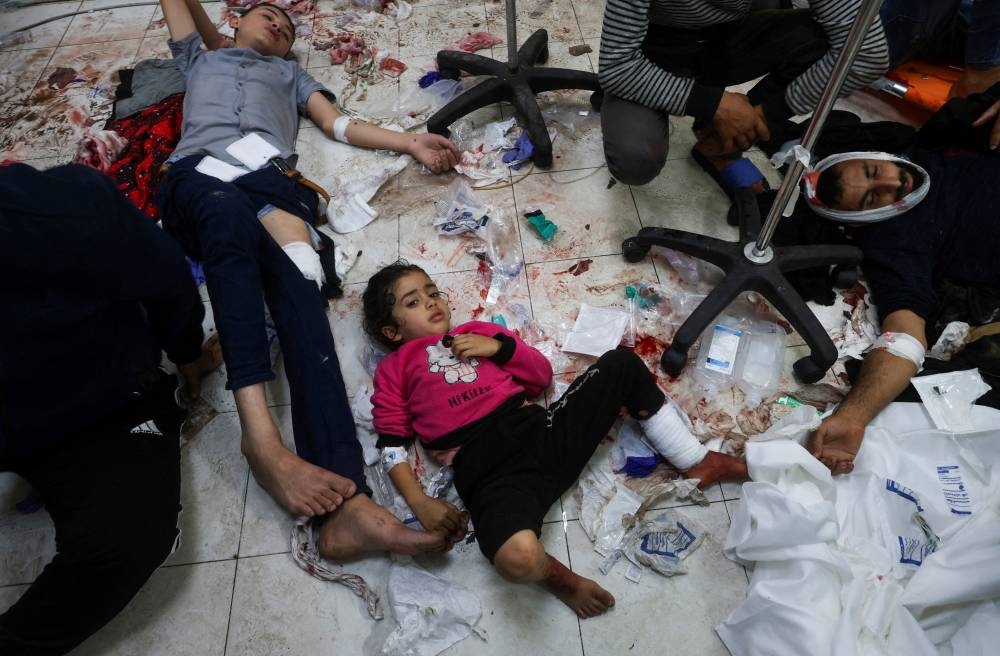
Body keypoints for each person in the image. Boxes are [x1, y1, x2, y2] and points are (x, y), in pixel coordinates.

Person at [155, 0, 461, 557]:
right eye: (266, 14)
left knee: (302, 292)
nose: (279, 23)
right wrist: (211, 28)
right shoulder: (200, 59)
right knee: (224, 215)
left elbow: (337, 123)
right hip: (197, 178)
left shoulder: (291, 73)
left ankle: (349, 509)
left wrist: (411, 141)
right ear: (234, 24)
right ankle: (262, 441)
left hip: (272, 185)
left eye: (288, 25)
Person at [362, 262, 748, 618]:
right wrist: (419, 502)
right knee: (516, 559)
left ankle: (696, 459)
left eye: (433, 292)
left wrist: (500, 348)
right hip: (490, 475)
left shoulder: (477, 332)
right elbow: (392, 444)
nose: (431, 302)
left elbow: (540, 377)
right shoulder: (395, 369)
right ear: (393, 332)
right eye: (413, 301)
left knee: (621, 364)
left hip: (544, 432)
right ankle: (560, 579)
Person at [0, 163, 220, 655]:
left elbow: (167, 278)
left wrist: (186, 351)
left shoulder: (71, 207)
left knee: (129, 541)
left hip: (97, 405)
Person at [800, 82, 1000, 475]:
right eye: (875, 198)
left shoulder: (937, 142)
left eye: (876, 172)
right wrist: (853, 417)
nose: (894, 185)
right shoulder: (894, 244)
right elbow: (904, 337)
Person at [597, 0, 889, 191]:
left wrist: (762, 113)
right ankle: (726, 124)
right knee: (635, 160)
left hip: (731, 35)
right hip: (656, 44)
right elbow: (618, 66)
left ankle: (723, 143)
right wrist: (713, 104)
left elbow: (866, 52)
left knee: (837, 42)